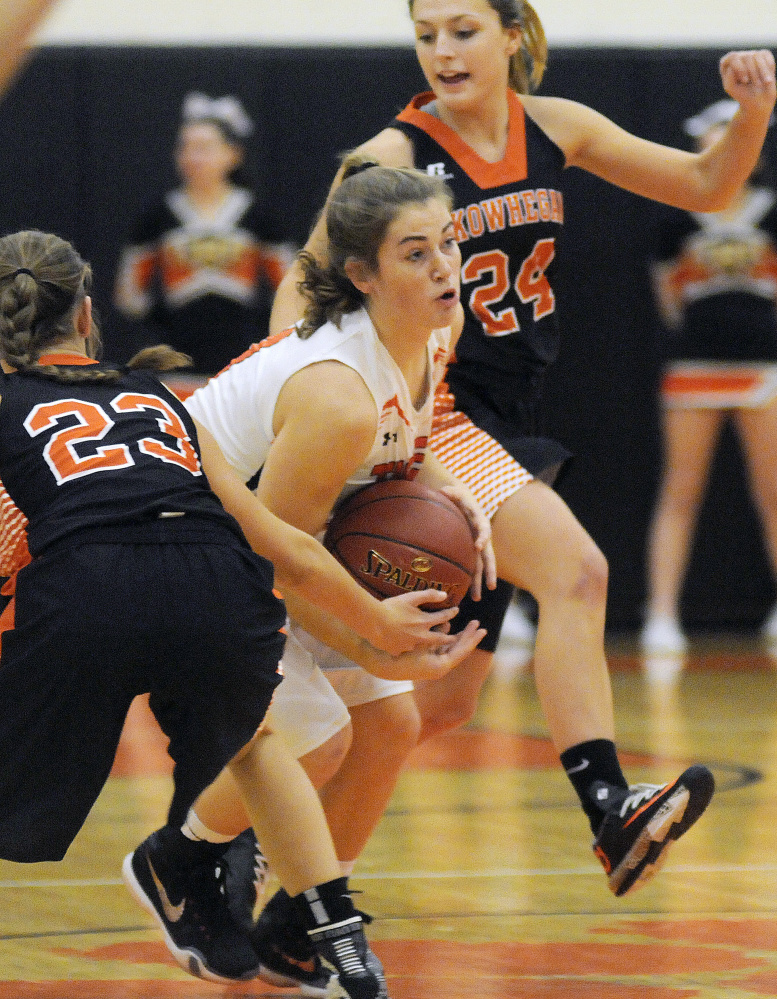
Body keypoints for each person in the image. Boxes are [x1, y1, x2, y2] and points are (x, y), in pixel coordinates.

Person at [262, 0, 777, 928]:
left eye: (463, 29)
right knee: (579, 572)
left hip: (511, 413)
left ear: (511, 32)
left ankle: (276, 853)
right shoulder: (389, 155)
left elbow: (707, 186)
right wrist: (328, 403)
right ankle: (612, 810)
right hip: (443, 411)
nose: (444, 51)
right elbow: (298, 289)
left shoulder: (558, 127)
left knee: (439, 699)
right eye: (427, 34)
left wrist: (751, 113)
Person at [0, 229, 479, 998]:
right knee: (269, 742)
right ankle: (338, 944)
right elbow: (277, 540)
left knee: (316, 737)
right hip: (209, 586)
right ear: (89, 315)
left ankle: (221, 884)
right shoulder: (159, 394)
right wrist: (377, 631)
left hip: (83, 599)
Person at [178, 164, 492, 996]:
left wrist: (457, 503)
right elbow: (268, 557)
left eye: (448, 246)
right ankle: (183, 858)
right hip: (189, 553)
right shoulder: (337, 394)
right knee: (320, 738)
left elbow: (400, 460)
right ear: (362, 275)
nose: (443, 269)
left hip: (273, 548)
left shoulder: (431, 335)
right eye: (415, 254)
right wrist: (373, 632)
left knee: (392, 721)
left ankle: (290, 927)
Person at [642, 99, 777, 654]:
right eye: (719, 135)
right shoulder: (676, 217)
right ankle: (661, 614)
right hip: (695, 367)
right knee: (680, 491)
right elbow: (669, 300)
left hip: (765, 369)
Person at [114, 92, 293, 377]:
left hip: (243, 364)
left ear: (234, 154)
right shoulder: (157, 216)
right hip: (176, 364)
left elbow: (290, 290)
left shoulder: (258, 217)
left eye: (205, 148)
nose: (192, 157)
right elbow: (130, 298)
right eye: (185, 148)